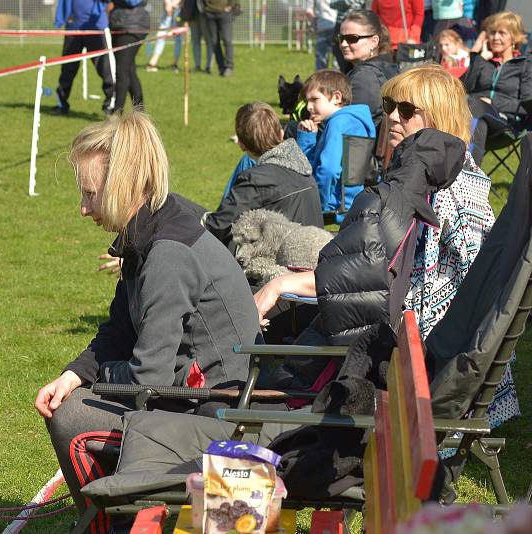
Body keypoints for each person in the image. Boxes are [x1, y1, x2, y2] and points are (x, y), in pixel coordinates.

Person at [35, 110, 261, 530]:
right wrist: (73, 374)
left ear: (121, 185)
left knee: (70, 416)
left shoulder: (166, 254)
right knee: (71, 397)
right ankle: (118, 512)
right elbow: (120, 329)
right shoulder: (151, 230)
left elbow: (146, 377)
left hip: (222, 414)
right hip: (195, 396)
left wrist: (95, 377)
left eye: (89, 194)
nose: (83, 209)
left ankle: (113, 520)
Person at [254, 65, 496, 387]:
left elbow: (388, 284)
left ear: (439, 116)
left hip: (405, 358)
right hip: (392, 336)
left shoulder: (447, 191)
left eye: (407, 110)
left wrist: (281, 283)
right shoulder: (434, 176)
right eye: (389, 106)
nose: (394, 117)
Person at [203, 102, 323, 252]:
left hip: (279, 267)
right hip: (312, 259)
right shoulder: (303, 169)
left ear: (241, 144)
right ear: (281, 133)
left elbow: (218, 226)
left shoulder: (256, 180)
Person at [296, 69, 376, 221]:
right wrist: (307, 138)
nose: (308, 107)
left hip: (336, 207)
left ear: (336, 97)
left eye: (314, 99)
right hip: (353, 203)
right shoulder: (354, 120)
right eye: (307, 101)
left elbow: (329, 169)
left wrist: (317, 206)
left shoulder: (337, 123)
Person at [462, 11, 532, 163]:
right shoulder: (484, 63)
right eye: (492, 33)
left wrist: (491, 103)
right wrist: (478, 57)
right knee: (478, 116)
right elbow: (463, 88)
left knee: (476, 106)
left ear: (514, 37)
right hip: (476, 117)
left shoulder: (525, 65)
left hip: (507, 123)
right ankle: (470, 177)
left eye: (502, 33)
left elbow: (526, 105)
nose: (495, 37)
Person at [338, 10, 400, 130]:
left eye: (352, 38)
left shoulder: (365, 76)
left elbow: (350, 124)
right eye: (341, 38)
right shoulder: (386, 65)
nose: (344, 44)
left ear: (374, 41)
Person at [51, 0, 115, 116]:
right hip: (73, 29)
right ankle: (62, 104)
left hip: (96, 29)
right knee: (67, 69)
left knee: (105, 70)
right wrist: (60, 20)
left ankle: (110, 104)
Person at [108, 0, 149, 112]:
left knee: (121, 70)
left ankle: (117, 113)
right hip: (121, 25)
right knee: (129, 70)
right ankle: (140, 112)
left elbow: (132, 1)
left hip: (130, 27)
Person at [203, 0, 239, 76]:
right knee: (214, 41)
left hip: (224, 13)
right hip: (210, 13)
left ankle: (229, 66)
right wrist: (205, 8)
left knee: (227, 40)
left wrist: (230, 6)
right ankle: (221, 67)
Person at [145, 0, 182, 71]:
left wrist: (174, 3)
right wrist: (168, 3)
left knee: (177, 37)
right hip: (167, 11)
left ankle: (175, 64)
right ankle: (152, 63)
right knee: (160, 36)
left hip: (178, 11)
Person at [182, 0, 213, 72]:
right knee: (195, 41)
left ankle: (208, 67)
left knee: (209, 41)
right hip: (192, 14)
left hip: (205, 14)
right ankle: (197, 65)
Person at [314, 0, 339, 70]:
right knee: (337, 57)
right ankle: (337, 78)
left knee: (321, 57)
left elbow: (309, 12)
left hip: (322, 26)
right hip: (336, 24)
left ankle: (320, 78)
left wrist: (314, 26)